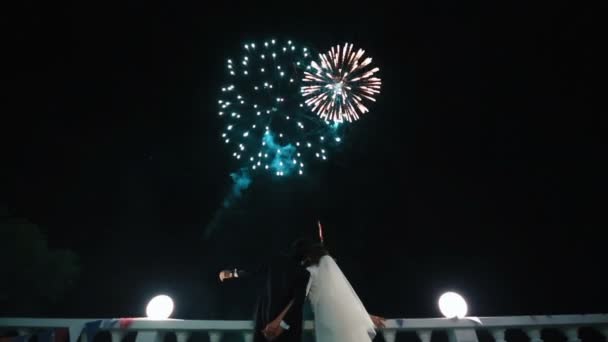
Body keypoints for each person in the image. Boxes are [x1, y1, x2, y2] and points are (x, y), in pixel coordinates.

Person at [218, 239, 313, 342]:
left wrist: (232, 274)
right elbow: (298, 303)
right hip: (284, 328)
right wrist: (281, 326)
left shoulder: (275, 260)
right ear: (307, 257)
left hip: (264, 317)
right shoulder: (304, 274)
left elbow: (252, 271)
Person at [300, 242, 386, 342]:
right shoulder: (332, 280)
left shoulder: (310, 273)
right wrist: (366, 317)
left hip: (317, 326)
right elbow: (344, 304)